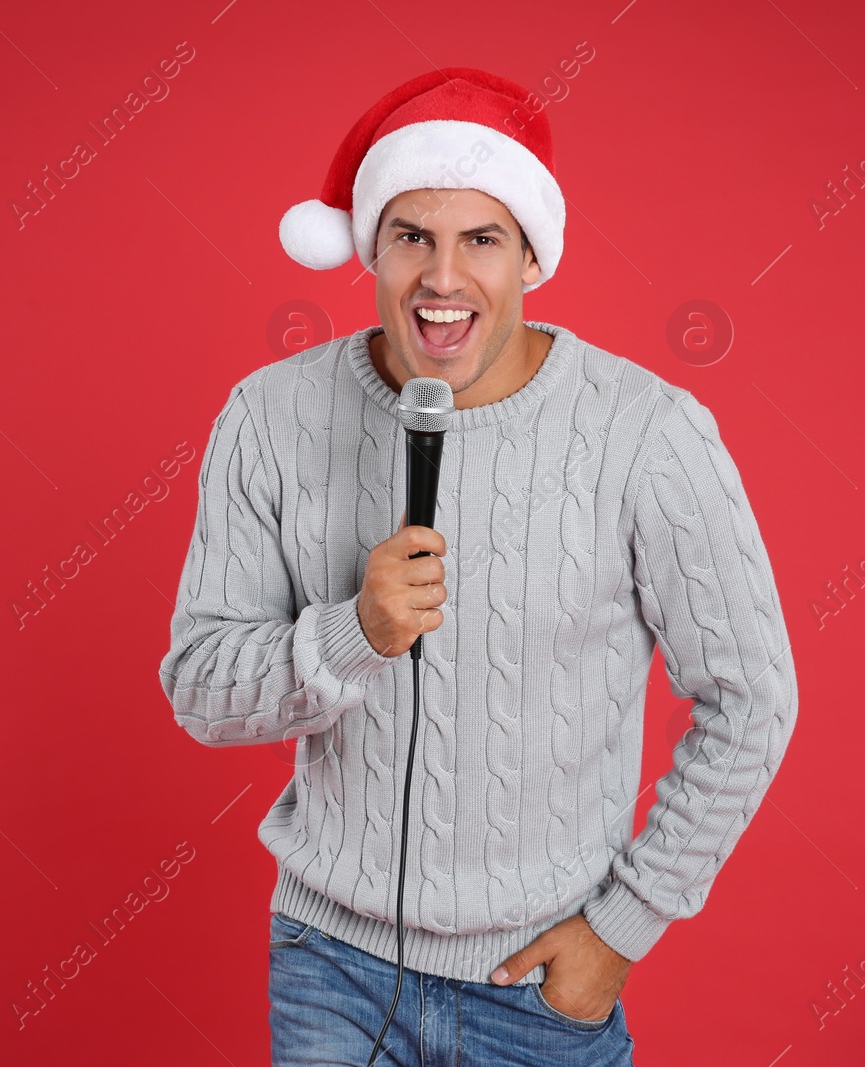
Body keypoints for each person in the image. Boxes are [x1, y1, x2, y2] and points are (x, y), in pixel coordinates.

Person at [159, 67, 799, 1066]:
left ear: (532, 256)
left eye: (481, 239)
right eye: (412, 235)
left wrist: (621, 928)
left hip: (539, 985)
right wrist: (353, 633)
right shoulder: (268, 417)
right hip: (332, 963)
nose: (443, 278)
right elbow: (201, 688)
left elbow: (751, 696)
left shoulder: (646, 433)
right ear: (370, 246)